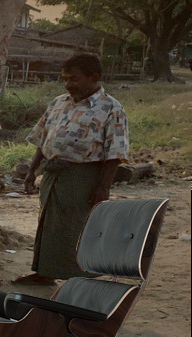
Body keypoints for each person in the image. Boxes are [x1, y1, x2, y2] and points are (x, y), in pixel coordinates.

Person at [15, 53, 129, 285]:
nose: (68, 84)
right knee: (48, 223)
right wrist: (32, 171)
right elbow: (42, 139)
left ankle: (81, 278)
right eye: (65, 79)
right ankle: (44, 272)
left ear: (93, 78)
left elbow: (115, 154)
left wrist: (103, 188)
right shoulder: (59, 102)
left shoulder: (111, 108)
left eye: (74, 79)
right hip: (53, 173)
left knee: (77, 226)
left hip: (83, 176)